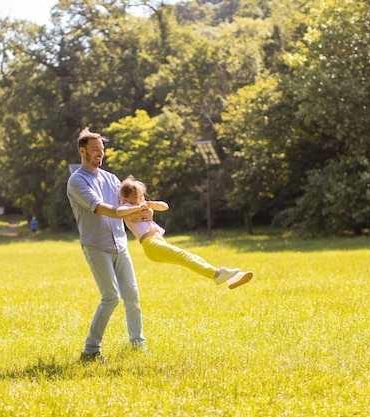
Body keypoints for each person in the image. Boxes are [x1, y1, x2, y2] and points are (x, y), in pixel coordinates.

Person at [67, 127, 151, 361]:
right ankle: (91, 350)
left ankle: (138, 345)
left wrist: (143, 213)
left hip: (120, 245)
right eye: (95, 150)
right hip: (96, 246)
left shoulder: (110, 178)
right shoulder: (77, 181)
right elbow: (106, 209)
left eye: (101, 150)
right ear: (82, 151)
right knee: (111, 296)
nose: (100, 154)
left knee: (132, 295)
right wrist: (134, 210)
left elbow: (124, 207)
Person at [116, 176, 253, 289]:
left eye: (141, 196)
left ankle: (229, 278)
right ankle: (217, 274)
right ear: (125, 198)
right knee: (185, 256)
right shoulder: (127, 207)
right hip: (150, 244)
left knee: (189, 258)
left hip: (157, 241)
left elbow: (165, 206)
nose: (140, 199)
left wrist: (150, 204)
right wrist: (138, 206)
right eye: (135, 196)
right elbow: (119, 212)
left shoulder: (142, 204)